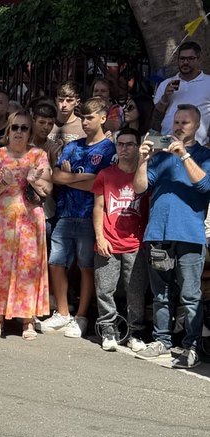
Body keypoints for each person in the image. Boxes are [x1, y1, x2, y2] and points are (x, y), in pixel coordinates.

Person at [132, 105, 210, 367]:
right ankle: (162, 342)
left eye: (184, 122)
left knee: (190, 295)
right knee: (161, 295)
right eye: (176, 122)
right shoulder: (160, 157)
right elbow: (140, 188)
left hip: (189, 234)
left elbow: (205, 185)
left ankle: (192, 345)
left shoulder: (204, 155)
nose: (178, 127)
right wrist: (143, 160)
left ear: (196, 126)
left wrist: (185, 155)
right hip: (158, 233)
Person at [0, 110, 52, 340]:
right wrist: (5, 181)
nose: (19, 132)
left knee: (28, 268)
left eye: (24, 128)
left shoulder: (38, 155)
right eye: (15, 127)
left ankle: (28, 320)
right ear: (8, 130)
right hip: (1, 221)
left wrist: (33, 180)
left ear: (30, 132)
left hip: (29, 220)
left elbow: (48, 189)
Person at [41, 98, 116, 338]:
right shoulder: (73, 146)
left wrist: (72, 177)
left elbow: (101, 184)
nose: (85, 122)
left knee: (85, 267)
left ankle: (81, 316)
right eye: (82, 117)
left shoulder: (109, 149)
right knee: (56, 263)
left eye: (90, 117)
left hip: (89, 215)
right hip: (65, 212)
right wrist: (80, 179)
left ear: (103, 118)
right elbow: (56, 176)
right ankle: (62, 312)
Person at [91, 127, 150, 353]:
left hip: (136, 243)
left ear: (138, 147)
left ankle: (135, 331)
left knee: (135, 291)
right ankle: (108, 328)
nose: (124, 148)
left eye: (129, 144)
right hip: (108, 240)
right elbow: (98, 207)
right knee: (105, 288)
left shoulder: (144, 175)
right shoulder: (106, 174)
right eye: (120, 144)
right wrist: (99, 236)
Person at [152, 40, 210, 143]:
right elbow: (155, 117)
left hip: (197, 147)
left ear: (199, 60)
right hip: (166, 144)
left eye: (190, 59)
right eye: (182, 58)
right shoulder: (166, 83)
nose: (185, 62)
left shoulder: (208, 82)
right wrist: (165, 98)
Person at [49, 80, 84, 150]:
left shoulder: (84, 126)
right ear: (56, 100)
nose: (64, 105)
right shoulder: (47, 124)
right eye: (61, 100)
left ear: (77, 102)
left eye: (69, 100)